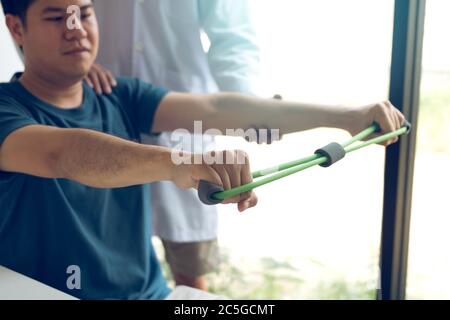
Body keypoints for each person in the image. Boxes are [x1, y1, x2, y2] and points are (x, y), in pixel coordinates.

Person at [0, 0, 405, 300]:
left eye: (85, 13)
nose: (76, 29)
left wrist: (347, 115)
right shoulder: (6, 109)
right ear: (16, 28)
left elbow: (219, 109)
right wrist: (180, 164)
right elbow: (62, 154)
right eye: (56, 17)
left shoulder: (122, 95)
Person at [89, 0, 261, 291]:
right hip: (103, 101)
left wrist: (247, 107)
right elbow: (39, 14)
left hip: (182, 114)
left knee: (190, 270)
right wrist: (73, 65)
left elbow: (231, 33)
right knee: (104, 258)